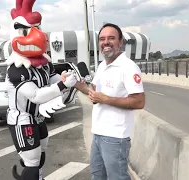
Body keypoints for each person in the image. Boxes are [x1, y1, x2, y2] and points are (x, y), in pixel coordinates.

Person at [74, 23, 145, 180]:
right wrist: (75, 84)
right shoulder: (102, 66)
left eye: (111, 38)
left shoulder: (128, 67)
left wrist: (106, 99)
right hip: (98, 133)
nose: (106, 42)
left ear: (120, 42)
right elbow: (94, 94)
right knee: (97, 176)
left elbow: (139, 101)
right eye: (102, 39)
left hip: (115, 137)